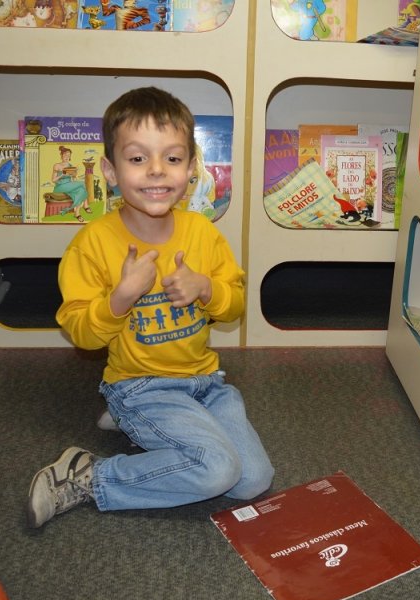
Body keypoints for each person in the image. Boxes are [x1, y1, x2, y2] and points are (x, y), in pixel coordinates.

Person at [26, 87, 274, 528]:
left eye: (173, 159)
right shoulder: (93, 244)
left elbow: (233, 307)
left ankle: (141, 428)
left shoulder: (203, 232)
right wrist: (122, 296)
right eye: (138, 159)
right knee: (216, 470)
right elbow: (81, 333)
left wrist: (205, 288)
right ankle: (87, 476)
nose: (157, 171)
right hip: (141, 385)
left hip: (206, 384)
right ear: (110, 170)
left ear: (192, 168)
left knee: (252, 479)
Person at [50, 146, 92, 222]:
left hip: (69, 186)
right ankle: (86, 205)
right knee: (82, 183)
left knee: (81, 191)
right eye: (65, 155)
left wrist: (73, 175)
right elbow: (53, 180)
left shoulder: (70, 166)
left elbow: (72, 179)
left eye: (68, 156)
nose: (67, 157)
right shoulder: (57, 165)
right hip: (60, 187)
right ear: (61, 155)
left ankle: (77, 213)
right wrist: (62, 175)